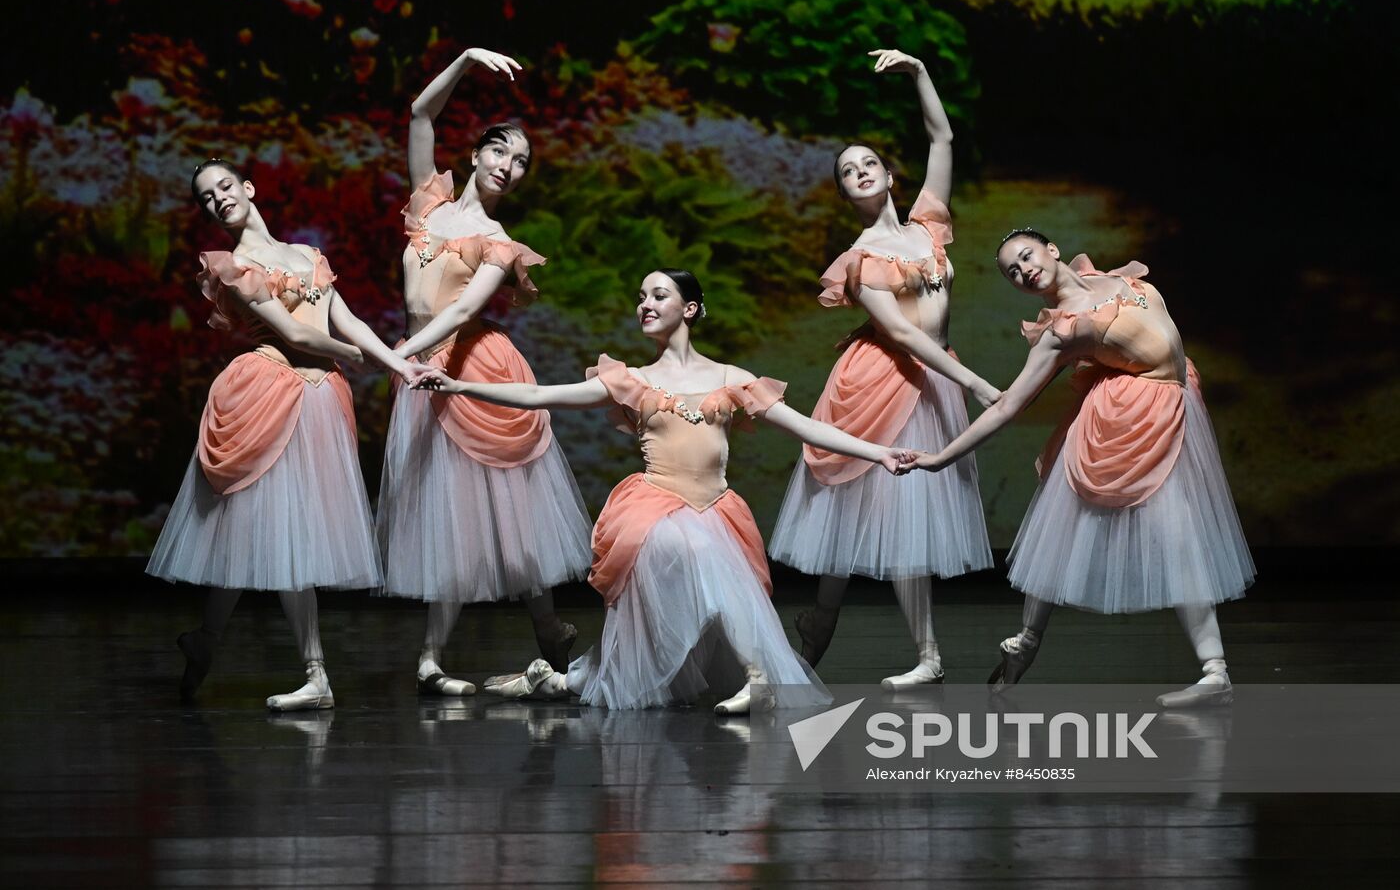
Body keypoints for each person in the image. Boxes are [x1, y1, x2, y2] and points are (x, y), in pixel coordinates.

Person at [413, 270, 909, 714]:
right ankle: (757, 677)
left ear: (689, 309)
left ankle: (567, 680)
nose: (644, 304)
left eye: (658, 295)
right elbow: (543, 395)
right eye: (640, 296)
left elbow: (805, 427)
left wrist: (877, 452)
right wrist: (460, 387)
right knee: (700, 551)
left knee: (710, 552)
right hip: (654, 509)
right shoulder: (632, 380)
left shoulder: (731, 379)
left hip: (715, 505)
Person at [901, 229, 1255, 707]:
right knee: (1066, 529)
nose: (1024, 271)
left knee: (1180, 536)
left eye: (1026, 257)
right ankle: (1027, 640)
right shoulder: (1059, 333)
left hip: (1166, 404)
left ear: (1052, 249)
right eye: (1013, 273)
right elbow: (1009, 407)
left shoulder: (1117, 281)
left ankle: (1215, 671)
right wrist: (942, 457)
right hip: (1124, 419)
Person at [150, 158, 431, 710]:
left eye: (225, 186)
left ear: (249, 188)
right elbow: (293, 329)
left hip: (318, 397)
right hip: (267, 390)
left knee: (279, 529)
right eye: (207, 197)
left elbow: (344, 319)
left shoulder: (305, 256)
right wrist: (360, 358)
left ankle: (218, 645)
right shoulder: (231, 265)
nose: (219, 199)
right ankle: (306, 671)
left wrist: (397, 364)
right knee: (261, 528)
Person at [769, 49, 999, 689]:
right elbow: (898, 331)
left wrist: (920, 72)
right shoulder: (860, 257)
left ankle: (913, 650)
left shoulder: (929, 225)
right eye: (849, 171)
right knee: (857, 503)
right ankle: (835, 623)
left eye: (870, 163)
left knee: (908, 515)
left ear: (890, 175)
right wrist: (973, 381)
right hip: (882, 379)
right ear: (844, 192)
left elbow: (942, 135)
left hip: (931, 380)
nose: (862, 172)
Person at [377, 48, 593, 696]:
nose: (510, 166)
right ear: (475, 155)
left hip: (468, 366)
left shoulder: (500, 242)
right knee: (446, 513)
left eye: (522, 161)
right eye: (501, 151)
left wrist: (406, 354)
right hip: (421, 367)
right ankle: (436, 656)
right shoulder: (427, 204)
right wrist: (467, 58)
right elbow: (420, 112)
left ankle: (545, 624)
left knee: (505, 511)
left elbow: (467, 306)